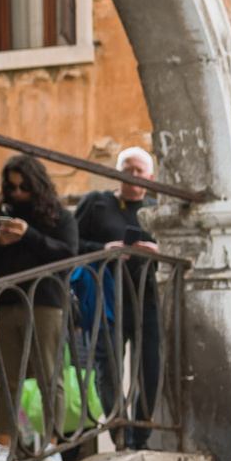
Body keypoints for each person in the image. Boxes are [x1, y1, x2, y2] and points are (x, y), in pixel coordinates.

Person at [0, 153, 80, 461]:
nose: (18, 193)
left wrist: (29, 235)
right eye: (12, 187)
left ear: (37, 185)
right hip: (5, 304)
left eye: (24, 187)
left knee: (50, 376)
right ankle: (5, 448)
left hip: (45, 304)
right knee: (6, 380)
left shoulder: (60, 217)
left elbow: (68, 256)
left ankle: (50, 445)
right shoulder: (0, 217)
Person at [74, 147, 163, 444]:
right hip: (107, 298)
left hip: (147, 299)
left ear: (150, 177)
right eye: (127, 169)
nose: (133, 176)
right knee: (108, 366)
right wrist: (104, 251)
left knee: (152, 367)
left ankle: (141, 433)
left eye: (139, 171)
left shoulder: (159, 210)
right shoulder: (96, 203)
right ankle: (119, 432)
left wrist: (157, 253)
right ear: (115, 172)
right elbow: (71, 245)